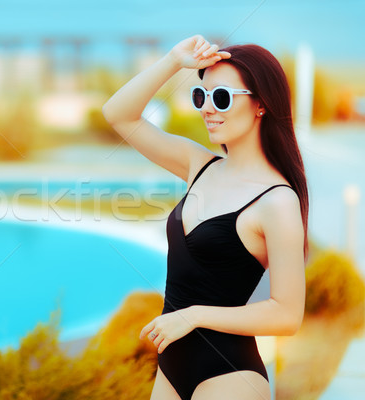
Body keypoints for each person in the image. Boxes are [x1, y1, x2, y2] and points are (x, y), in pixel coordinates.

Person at [102, 34, 308, 400]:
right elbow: (118, 114)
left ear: (260, 105)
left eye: (222, 97)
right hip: (171, 370)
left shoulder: (278, 201)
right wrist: (172, 61)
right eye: (202, 96)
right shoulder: (198, 165)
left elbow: (287, 315)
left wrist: (192, 315)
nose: (208, 109)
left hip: (229, 376)